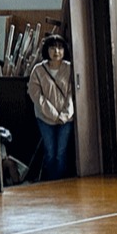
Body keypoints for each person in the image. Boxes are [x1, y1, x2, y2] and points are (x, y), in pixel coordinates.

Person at [27, 34, 76, 181]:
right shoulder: (38, 70)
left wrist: (65, 115)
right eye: (53, 48)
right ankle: (51, 182)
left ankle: (60, 182)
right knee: (50, 151)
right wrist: (54, 115)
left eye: (60, 48)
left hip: (66, 119)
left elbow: (72, 94)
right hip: (44, 118)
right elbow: (37, 96)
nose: (57, 51)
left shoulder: (69, 68)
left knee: (61, 152)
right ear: (46, 50)